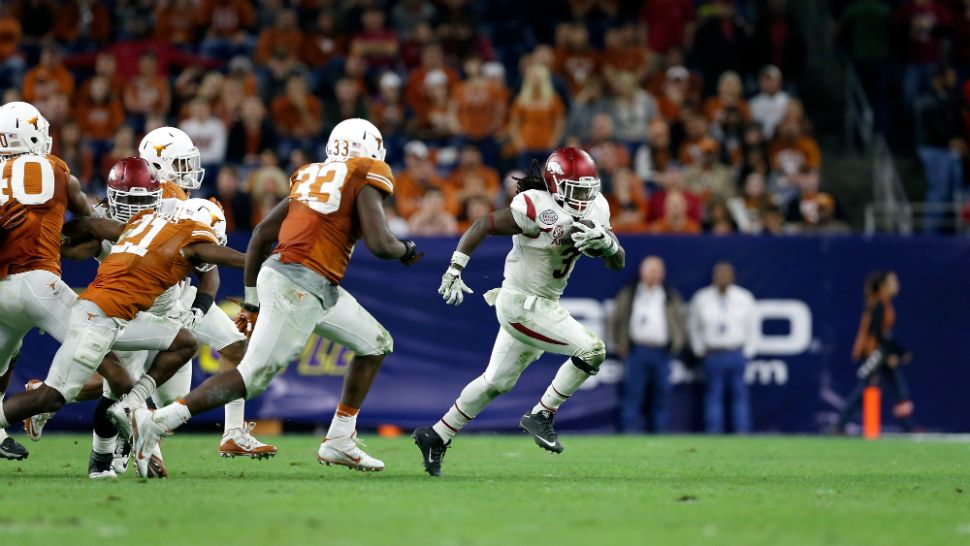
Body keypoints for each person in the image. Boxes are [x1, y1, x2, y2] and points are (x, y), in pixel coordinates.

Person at [132, 119, 422, 475]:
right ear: (373, 151)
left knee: (376, 343)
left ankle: (339, 439)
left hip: (302, 279)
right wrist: (405, 249)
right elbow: (380, 244)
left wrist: (253, 298)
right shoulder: (367, 171)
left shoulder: (310, 174)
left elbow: (261, 234)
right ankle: (157, 421)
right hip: (300, 283)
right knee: (251, 376)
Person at [1, 157, 247, 478]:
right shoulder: (133, 224)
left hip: (146, 312)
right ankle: (108, 458)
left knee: (169, 368)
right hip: (110, 314)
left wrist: (198, 310)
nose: (135, 207)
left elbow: (210, 271)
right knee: (104, 388)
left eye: (143, 201)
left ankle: (132, 423)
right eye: (130, 200)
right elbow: (84, 232)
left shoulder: (164, 218)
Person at [413, 148, 625, 477]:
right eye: (575, 190)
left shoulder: (597, 208)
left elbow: (618, 262)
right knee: (593, 349)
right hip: (520, 304)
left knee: (495, 382)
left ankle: (436, 434)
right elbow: (484, 223)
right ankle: (542, 413)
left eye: (587, 189)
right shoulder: (535, 206)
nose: (584, 198)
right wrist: (455, 268)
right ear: (555, 185)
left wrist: (607, 244)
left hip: (543, 305)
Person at [611, 256, 686, 433]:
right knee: (633, 394)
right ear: (642, 272)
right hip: (637, 351)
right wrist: (618, 343)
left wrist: (677, 343)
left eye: (657, 270)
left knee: (661, 395)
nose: (654, 274)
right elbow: (615, 320)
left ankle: (659, 432)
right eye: (651, 270)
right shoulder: (630, 293)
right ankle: (629, 433)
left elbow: (680, 321)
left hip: (662, 352)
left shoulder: (669, 295)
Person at [835, 271, 913, 433]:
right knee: (865, 388)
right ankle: (840, 424)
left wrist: (895, 351)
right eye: (893, 282)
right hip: (873, 353)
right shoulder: (878, 304)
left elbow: (883, 334)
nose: (897, 285)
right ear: (884, 285)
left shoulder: (884, 303)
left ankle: (908, 426)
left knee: (898, 387)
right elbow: (877, 333)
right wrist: (894, 352)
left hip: (881, 352)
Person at [688, 262, 758, 434]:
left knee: (739, 396)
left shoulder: (744, 297)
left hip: (736, 353)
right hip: (713, 354)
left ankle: (742, 432)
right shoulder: (702, 298)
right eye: (719, 275)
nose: (722, 278)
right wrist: (699, 349)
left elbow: (753, 327)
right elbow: (693, 327)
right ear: (713, 277)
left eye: (726, 275)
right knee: (713, 396)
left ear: (733, 277)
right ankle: (714, 433)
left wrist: (747, 352)